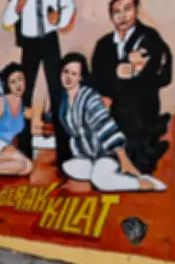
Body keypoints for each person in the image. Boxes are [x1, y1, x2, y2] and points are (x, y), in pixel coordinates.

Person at [2, 0, 76, 165]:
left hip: (51, 41)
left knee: (58, 95)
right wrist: (19, 6)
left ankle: (65, 153)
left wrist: (59, 19)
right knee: (24, 95)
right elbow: (7, 19)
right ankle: (24, 149)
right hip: (30, 44)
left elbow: (69, 7)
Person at [91, 0, 173, 175]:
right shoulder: (103, 44)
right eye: (116, 12)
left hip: (140, 110)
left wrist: (141, 72)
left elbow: (165, 73)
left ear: (136, 9)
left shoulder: (149, 38)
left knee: (139, 165)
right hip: (113, 110)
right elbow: (96, 77)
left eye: (127, 9)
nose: (122, 16)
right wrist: (115, 74)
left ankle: (152, 142)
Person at [58, 52, 165, 192]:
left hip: (107, 153)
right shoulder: (64, 102)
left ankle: (142, 183)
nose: (68, 77)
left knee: (101, 181)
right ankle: (100, 171)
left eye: (74, 73)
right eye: (66, 72)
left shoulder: (90, 97)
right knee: (69, 167)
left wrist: (125, 161)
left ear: (80, 77)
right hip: (87, 156)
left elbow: (106, 128)